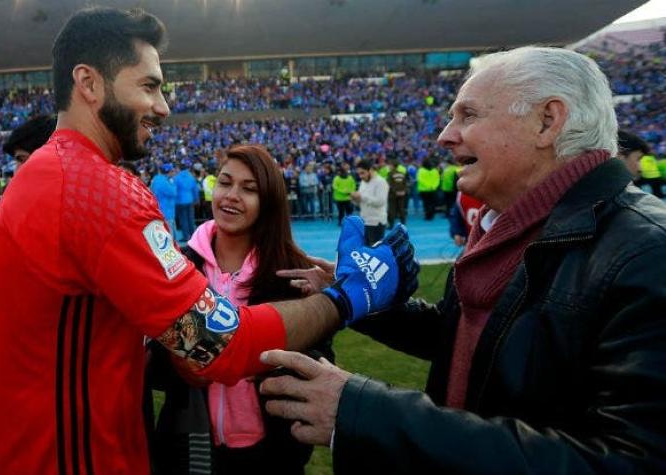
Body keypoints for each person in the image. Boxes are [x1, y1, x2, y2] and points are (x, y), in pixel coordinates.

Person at [0, 7, 419, 475]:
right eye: (148, 86)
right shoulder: (94, 187)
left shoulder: (48, 174)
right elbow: (219, 345)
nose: (163, 106)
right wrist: (351, 296)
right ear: (89, 84)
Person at [260, 46, 666, 474]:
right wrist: (360, 300)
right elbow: (475, 339)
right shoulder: (508, 227)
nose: (445, 135)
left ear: (547, 121)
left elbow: (628, 461)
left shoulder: (646, 253)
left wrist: (365, 411)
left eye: (468, 115)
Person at [149, 145, 333, 475]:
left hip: (274, 455)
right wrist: (183, 363)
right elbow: (155, 367)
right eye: (225, 183)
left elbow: (319, 362)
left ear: (269, 202)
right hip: (194, 449)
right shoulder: (178, 264)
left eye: (249, 189)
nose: (231, 196)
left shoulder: (293, 272)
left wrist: (259, 362)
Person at [351, 159, 389, 245]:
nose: (360, 176)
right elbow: (362, 201)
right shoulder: (363, 182)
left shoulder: (381, 182)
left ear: (370, 170)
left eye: (362, 173)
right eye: (359, 174)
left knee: (374, 253)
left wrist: (362, 197)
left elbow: (380, 202)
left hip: (376, 223)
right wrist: (355, 200)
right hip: (365, 221)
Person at [151, 163, 178, 240]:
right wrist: (173, 183)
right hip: (166, 211)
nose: (173, 173)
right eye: (172, 171)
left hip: (162, 210)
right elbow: (173, 192)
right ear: (168, 172)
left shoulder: (157, 179)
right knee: (170, 236)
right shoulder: (164, 182)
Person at [175, 160, 199, 242]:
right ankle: (193, 236)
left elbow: (175, 190)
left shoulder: (177, 178)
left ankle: (186, 237)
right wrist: (196, 199)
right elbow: (195, 189)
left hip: (180, 201)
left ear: (179, 169)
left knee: (183, 219)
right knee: (191, 218)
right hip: (190, 200)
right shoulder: (191, 176)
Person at [332, 161, 356, 226]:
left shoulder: (350, 178)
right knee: (341, 212)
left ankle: (349, 222)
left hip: (347, 198)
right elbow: (335, 187)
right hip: (340, 198)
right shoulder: (337, 178)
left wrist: (350, 191)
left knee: (349, 211)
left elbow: (353, 185)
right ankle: (340, 222)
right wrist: (345, 191)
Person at [386, 157, 408, 225]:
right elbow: (405, 183)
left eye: (389, 165)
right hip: (402, 194)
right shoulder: (402, 173)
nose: (388, 166)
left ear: (392, 166)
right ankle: (403, 223)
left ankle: (391, 224)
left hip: (392, 194)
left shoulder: (390, 174)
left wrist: (395, 191)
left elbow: (389, 184)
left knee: (391, 209)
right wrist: (403, 191)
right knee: (401, 209)